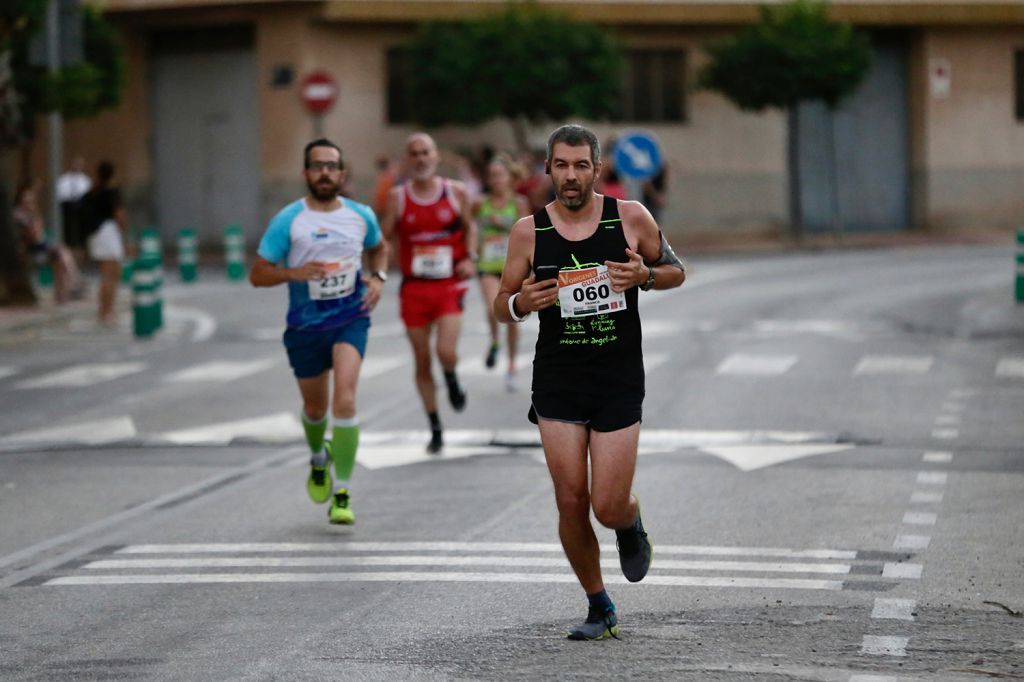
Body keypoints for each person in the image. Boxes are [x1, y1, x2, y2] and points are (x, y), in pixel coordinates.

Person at [494, 124, 686, 640]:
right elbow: (502, 300)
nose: (571, 175)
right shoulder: (527, 231)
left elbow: (676, 271)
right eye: (561, 165)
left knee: (606, 503)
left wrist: (643, 276)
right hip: (557, 379)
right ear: (549, 169)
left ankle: (629, 520)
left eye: (582, 165)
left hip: (617, 377)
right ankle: (599, 604)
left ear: (597, 169)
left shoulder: (630, 218)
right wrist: (520, 304)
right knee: (571, 500)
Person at [250, 138, 388, 525]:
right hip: (305, 327)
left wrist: (377, 277)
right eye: (317, 166)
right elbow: (257, 274)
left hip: (350, 319)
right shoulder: (288, 220)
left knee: (344, 401)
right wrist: (292, 272)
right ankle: (317, 457)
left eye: (332, 166)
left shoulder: (361, 215)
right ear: (306, 173)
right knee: (315, 409)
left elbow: (380, 248)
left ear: (342, 174)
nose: (325, 172)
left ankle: (342, 492)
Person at [381, 133, 476, 454]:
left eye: (426, 153)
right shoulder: (398, 198)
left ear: (435, 157)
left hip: (449, 284)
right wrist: (382, 261)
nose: (421, 159)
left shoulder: (455, 193)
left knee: (445, 352)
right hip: (414, 289)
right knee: (422, 360)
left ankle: (450, 377)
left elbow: (470, 227)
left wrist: (469, 257)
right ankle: (435, 424)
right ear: (408, 161)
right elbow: (384, 238)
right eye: (414, 154)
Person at [473, 153, 530, 391]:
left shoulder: (518, 203)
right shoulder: (479, 204)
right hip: (487, 266)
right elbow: (470, 229)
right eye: (491, 176)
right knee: (492, 307)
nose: (495, 180)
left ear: (509, 177)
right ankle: (495, 342)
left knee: (513, 318)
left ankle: (511, 366)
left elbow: (529, 235)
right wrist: (471, 251)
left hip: (513, 267)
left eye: (499, 175)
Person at [13, 182, 83, 304]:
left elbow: (40, 235)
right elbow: (34, 237)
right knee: (61, 254)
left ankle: (64, 292)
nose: (30, 201)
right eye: (27, 198)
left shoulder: (32, 214)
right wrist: (35, 224)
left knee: (61, 256)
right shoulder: (19, 215)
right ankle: (72, 284)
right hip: (29, 250)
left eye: (31, 199)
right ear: (21, 199)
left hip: (39, 248)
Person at [80, 161, 126, 326]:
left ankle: (105, 310)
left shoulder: (91, 193)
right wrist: (123, 230)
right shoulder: (112, 193)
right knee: (111, 274)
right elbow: (119, 214)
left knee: (105, 275)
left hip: (94, 235)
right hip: (108, 232)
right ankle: (107, 311)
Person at [56, 156, 92, 252]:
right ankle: (68, 247)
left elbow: (88, 195)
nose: (77, 166)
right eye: (75, 164)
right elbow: (60, 194)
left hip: (81, 206)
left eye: (80, 164)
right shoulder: (63, 179)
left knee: (82, 230)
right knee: (67, 228)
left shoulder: (86, 180)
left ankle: (81, 249)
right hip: (67, 206)